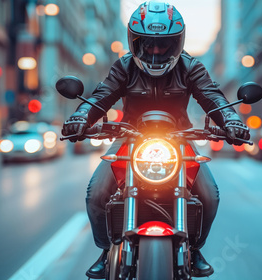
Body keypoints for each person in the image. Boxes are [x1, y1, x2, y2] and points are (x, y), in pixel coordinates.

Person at [62, 2, 249, 278]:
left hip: (179, 140)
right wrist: (80, 117)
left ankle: (195, 250)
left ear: (178, 43)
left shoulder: (191, 67)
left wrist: (232, 121)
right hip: (130, 137)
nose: (156, 50)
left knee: (209, 194)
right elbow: (99, 97)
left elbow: (213, 97)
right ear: (134, 42)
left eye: (164, 45)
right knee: (97, 192)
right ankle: (104, 251)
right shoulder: (124, 67)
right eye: (148, 44)